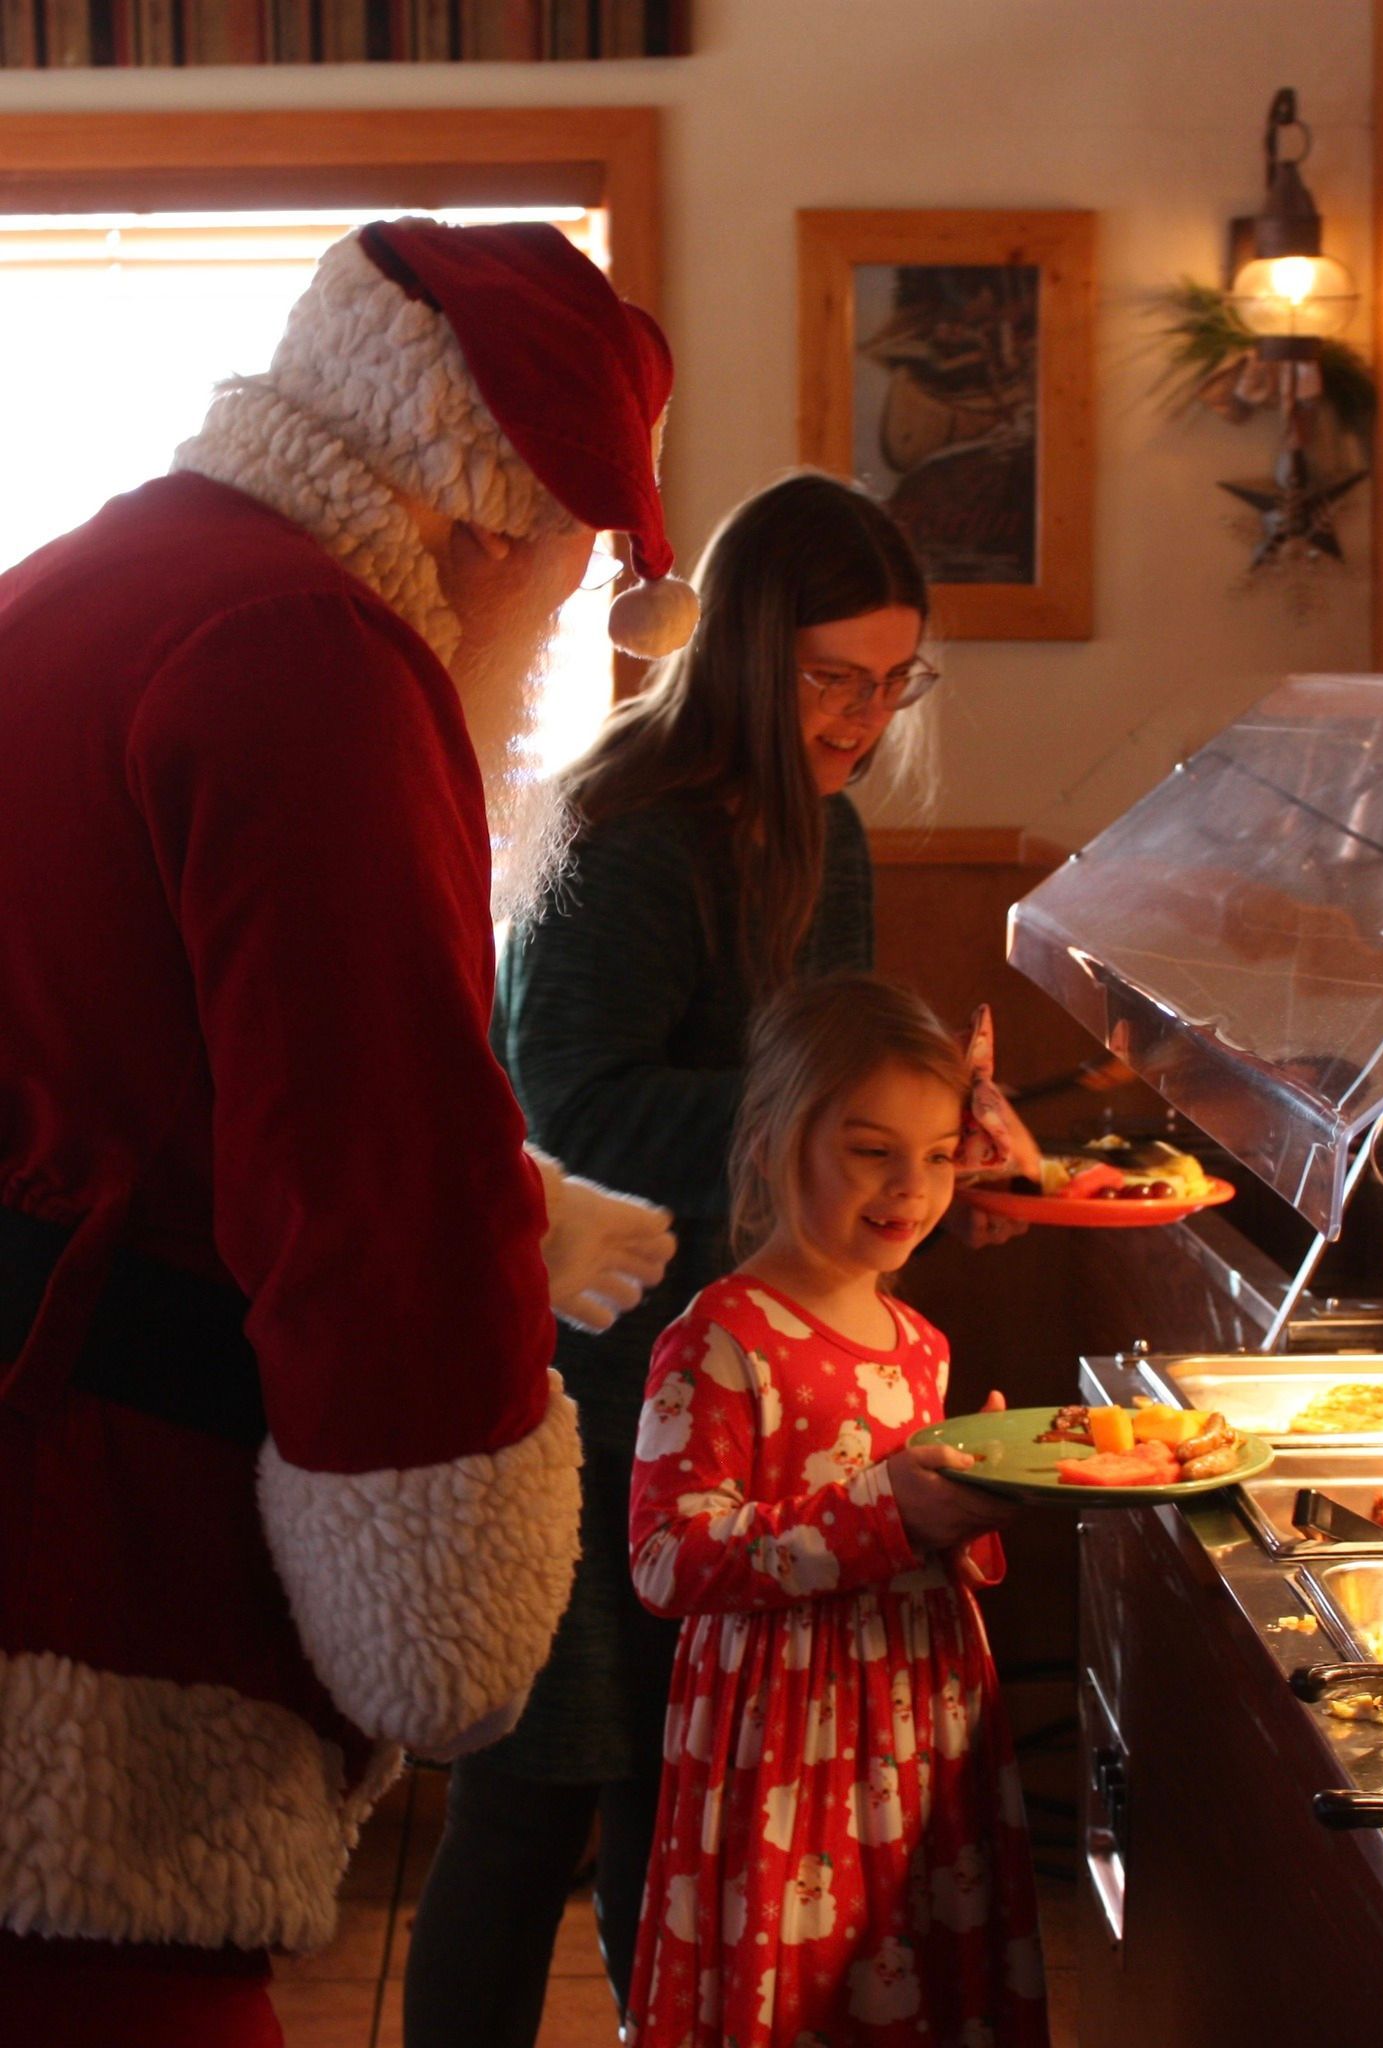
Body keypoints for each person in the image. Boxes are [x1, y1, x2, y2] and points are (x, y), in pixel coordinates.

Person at [0, 218, 689, 2047]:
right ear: (497, 519)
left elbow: (132, 1060)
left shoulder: (93, 571)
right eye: (575, 574)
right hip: (90, 1556)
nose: (556, 630)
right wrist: (442, 1614)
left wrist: (522, 1197)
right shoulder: (316, 649)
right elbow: (366, 1190)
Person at [403, 470, 955, 2046]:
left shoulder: (823, 830)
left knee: (685, 1766)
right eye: (829, 679)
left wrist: (914, 1152)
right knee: (536, 1792)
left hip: (734, 1364)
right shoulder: (626, 829)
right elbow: (569, 1104)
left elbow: (829, 1091)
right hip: (578, 1363)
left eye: (890, 682)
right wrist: (837, 1125)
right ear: (741, 657)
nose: (860, 718)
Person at [624, 973, 1050, 2047]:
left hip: (919, 1722)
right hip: (786, 1747)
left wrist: (971, 1501)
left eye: (940, 1153)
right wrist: (887, 1511)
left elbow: (923, 1535)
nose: (911, 1185)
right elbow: (666, 1557)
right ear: (772, 1141)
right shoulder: (723, 1335)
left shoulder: (920, 1340)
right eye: (871, 1149)